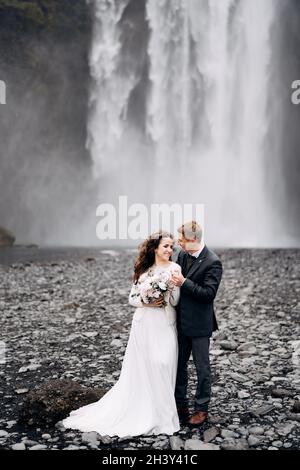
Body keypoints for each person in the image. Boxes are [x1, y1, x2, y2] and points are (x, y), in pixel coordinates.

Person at [62, 231, 182, 437]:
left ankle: (163, 414)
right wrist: (147, 300)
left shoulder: (175, 268)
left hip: (164, 323)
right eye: (166, 246)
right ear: (155, 248)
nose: (170, 250)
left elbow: (176, 301)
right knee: (143, 368)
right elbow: (132, 298)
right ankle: (145, 411)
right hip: (143, 323)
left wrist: (167, 292)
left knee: (163, 363)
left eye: (172, 247)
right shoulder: (144, 270)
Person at [171, 221, 223, 426]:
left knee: (203, 368)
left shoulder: (213, 262)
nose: (178, 243)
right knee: (179, 366)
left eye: (182, 239)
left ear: (193, 239)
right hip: (181, 322)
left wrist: (184, 282)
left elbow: (208, 294)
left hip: (201, 325)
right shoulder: (183, 255)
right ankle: (180, 404)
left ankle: (201, 409)